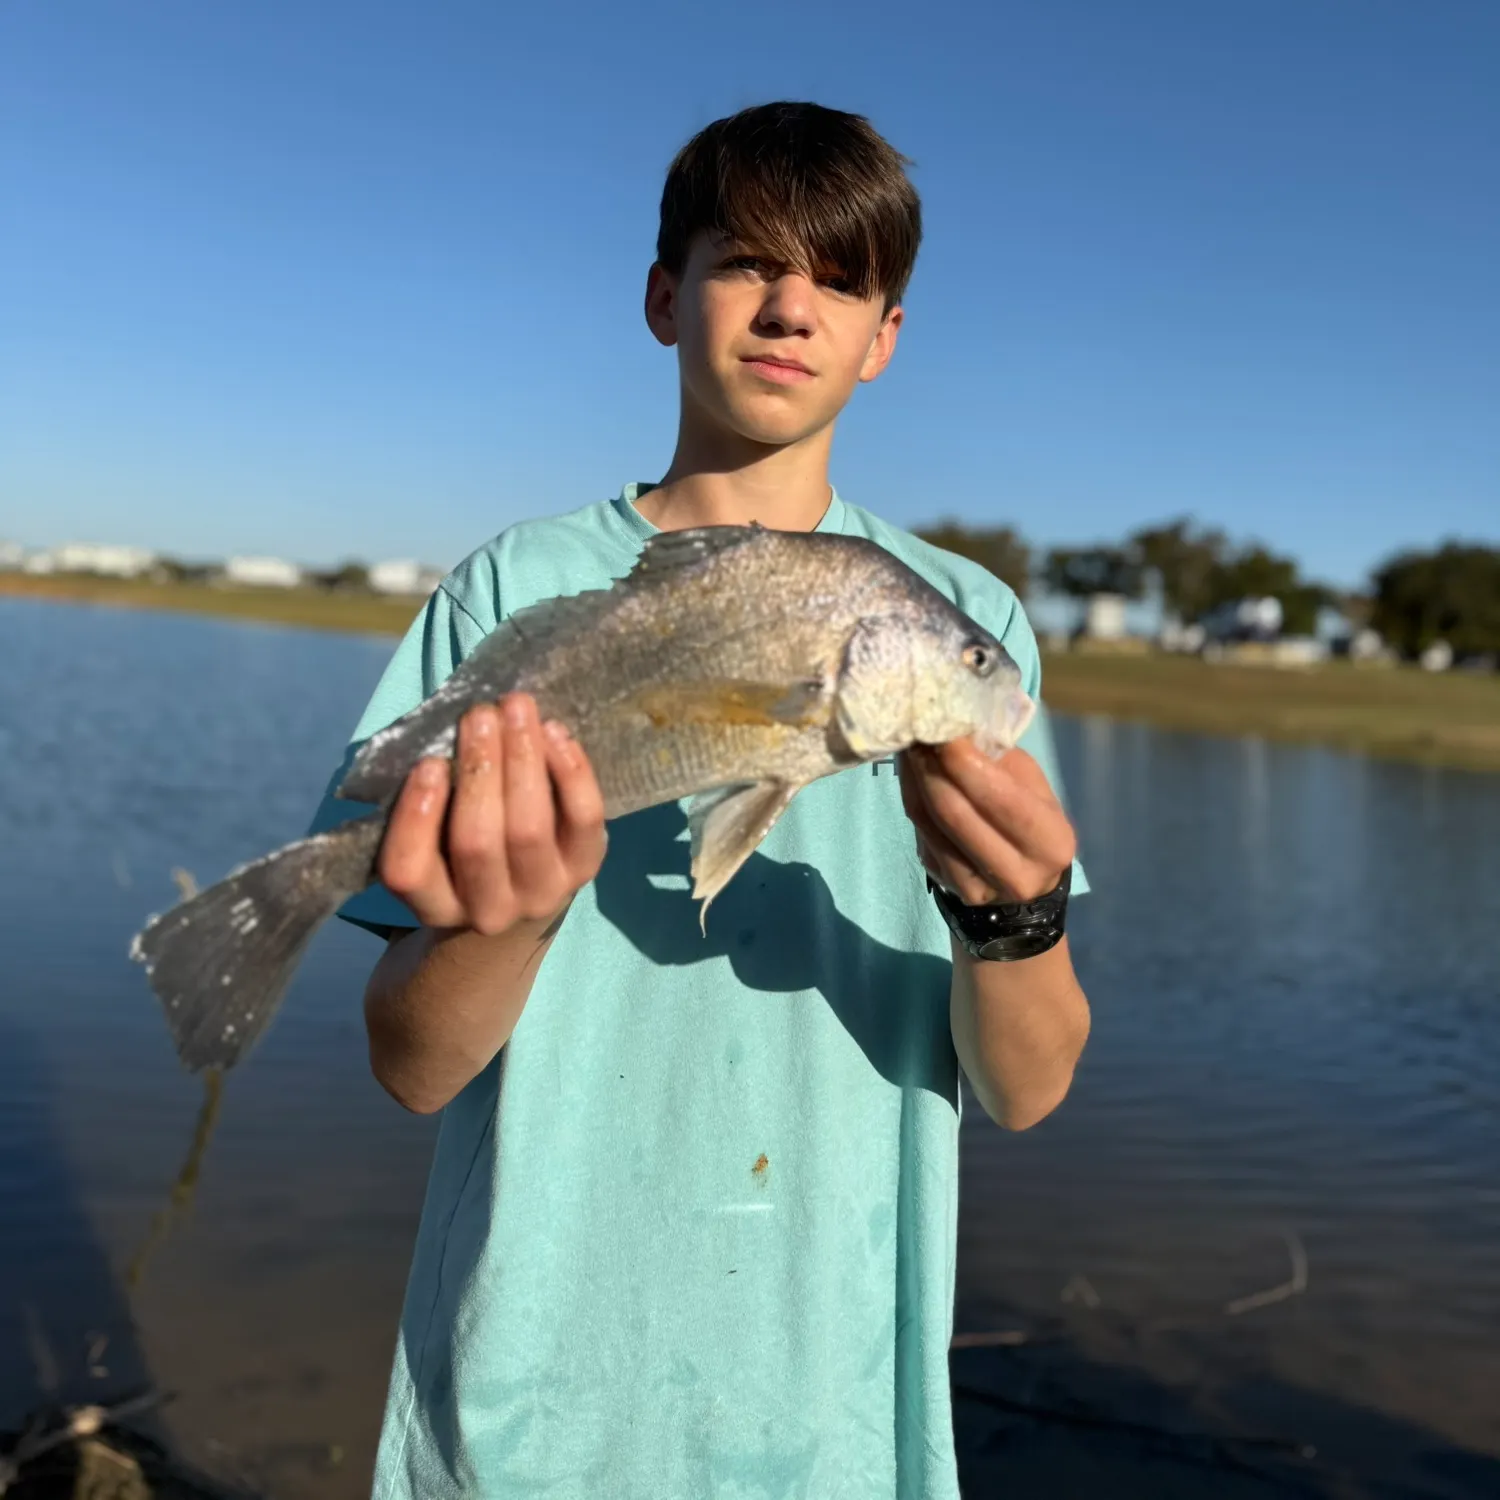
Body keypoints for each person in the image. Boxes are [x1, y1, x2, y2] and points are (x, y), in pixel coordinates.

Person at [308, 99, 1091, 1500]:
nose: (793, 306)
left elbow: (1027, 1090)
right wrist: (509, 916)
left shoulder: (971, 616)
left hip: (836, 1414)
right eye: (747, 263)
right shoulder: (513, 589)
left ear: (885, 338)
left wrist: (1013, 919)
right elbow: (410, 1065)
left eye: (841, 282)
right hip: (527, 1391)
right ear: (666, 295)